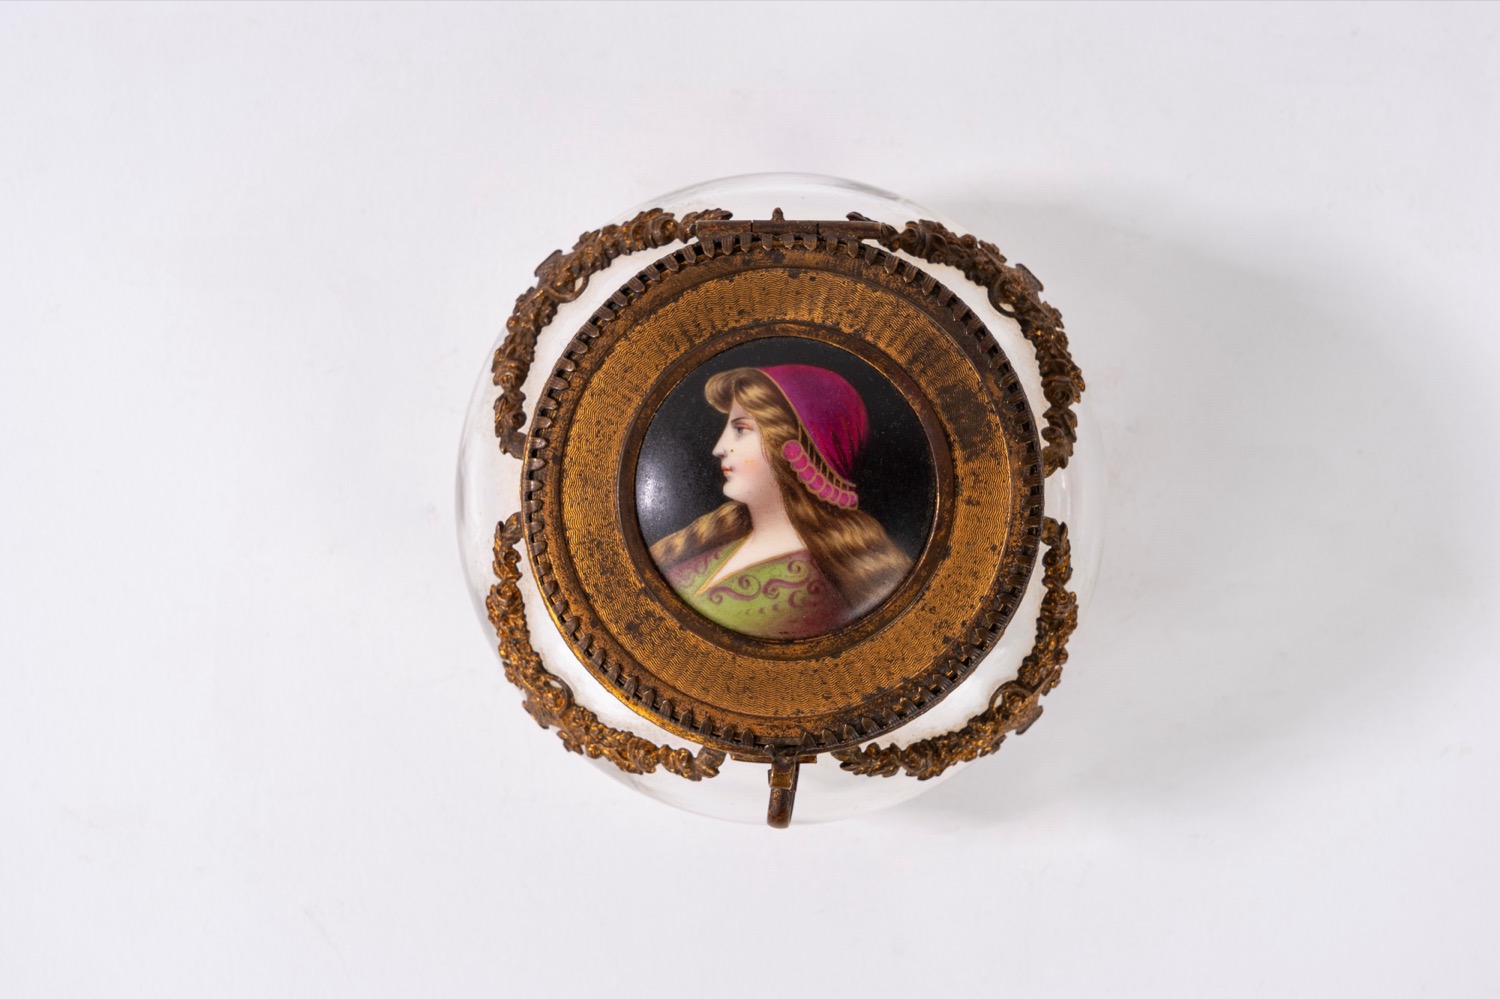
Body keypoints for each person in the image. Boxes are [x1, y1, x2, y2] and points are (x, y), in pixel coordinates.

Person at [650, 364, 912, 640]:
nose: (719, 448)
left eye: (741, 429)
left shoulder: (816, 591)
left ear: (793, 448)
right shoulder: (712, 539)